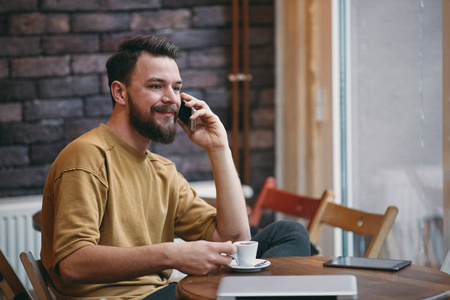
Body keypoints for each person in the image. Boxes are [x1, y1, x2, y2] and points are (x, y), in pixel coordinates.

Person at [40, 35, 311, 300]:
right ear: (120, 92)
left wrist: (219, 149)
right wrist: (172, 254)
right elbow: (73, 264)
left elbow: (236, 241)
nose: (172, 99)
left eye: (177, 87)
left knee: (290, 233)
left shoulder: (163, 171)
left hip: (165, 293)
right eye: (157, 86)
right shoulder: (87, 156)